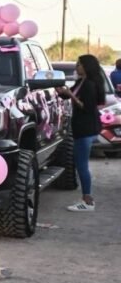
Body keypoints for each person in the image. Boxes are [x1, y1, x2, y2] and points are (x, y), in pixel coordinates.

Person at [59, 54, 107, 212]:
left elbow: (86, 107)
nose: (76, 67)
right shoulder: (82, 82)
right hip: (83, 128)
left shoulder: (89, 85)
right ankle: (86, 198)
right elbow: (67, 93)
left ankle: (88, 201)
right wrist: (60, 89)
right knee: (81, 164)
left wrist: (71, 95)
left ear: (86, 66)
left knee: (82, 166)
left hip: (86, 128)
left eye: (79, 64)